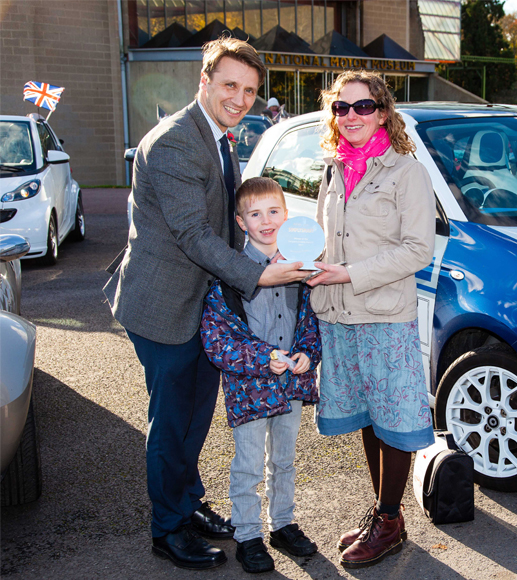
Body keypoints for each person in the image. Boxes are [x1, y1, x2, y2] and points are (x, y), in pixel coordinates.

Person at [102, 36, 307, 571]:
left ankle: (186, 503)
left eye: (250, 91)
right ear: (205, 81)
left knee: (194, 419)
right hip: (163, 307)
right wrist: (260, 275)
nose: (240, 99)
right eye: (230, 86)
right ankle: (167, 528)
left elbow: (228, 224)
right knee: (172, 423)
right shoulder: (175, 141)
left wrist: (279, 253)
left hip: (202, 307)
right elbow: (194, 233)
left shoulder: (220, 138)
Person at [307, 70, 436, 569]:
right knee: (367, 414)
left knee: (394, 420)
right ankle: (385, 512)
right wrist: (307, 265)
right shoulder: (334, 170)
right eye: (342, 107)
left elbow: (418, 250)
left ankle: (388, 520)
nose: (351, 116)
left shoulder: (407, 172)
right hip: (339, 313)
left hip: (383, 315)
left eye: (363, 106)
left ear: (382, 113)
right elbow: (325, 238)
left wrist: (350, 273)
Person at [200, 177, 321, 574]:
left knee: (284, 460)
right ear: (241, 222)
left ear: (286, 215)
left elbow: (311, 322)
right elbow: (218, 340)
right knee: (249, 464)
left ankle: (282, 524)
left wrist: (307, 354)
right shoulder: (230, 276)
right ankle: (248, 534)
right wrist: (261, 358)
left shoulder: (301, 268)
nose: (266, 221)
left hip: (289, 387)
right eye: (255, 214)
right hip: (250, 390)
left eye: (273, 211)